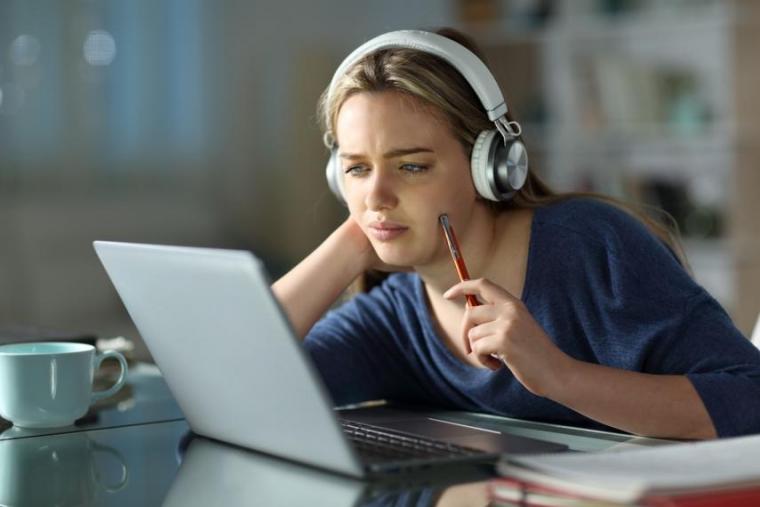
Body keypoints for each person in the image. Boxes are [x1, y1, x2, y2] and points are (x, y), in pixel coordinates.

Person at [272, 28, 760, 440]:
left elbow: (749, 397)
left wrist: (557, 375)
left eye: (412, 165)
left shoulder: (593, 248)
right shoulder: (394, 318)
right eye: (356, 169)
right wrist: (348, 246)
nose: (378, 193)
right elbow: (234, 385)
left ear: (490, 167)